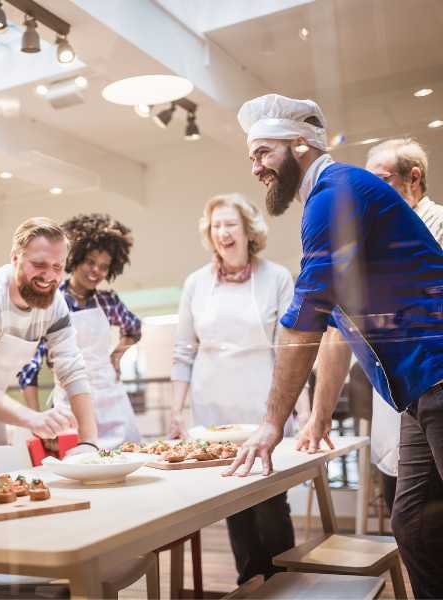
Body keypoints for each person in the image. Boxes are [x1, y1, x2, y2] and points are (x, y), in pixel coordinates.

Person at [226, 93, 443, 599]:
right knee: (413, 521)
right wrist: (317, 416)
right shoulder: (334, 194)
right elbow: (333, 326)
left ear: (300, 145)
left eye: (262, 153)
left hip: (438, 375)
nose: (255, 167)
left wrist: (272, 423)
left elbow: (306, 317)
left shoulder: (335, 194)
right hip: (418, 391)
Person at [170, 193, 304, 583]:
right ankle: (249, 581)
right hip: (211, 408)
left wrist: (304, 409)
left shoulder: (276, 277)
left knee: (269, 499)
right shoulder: (195, 283)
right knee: (231, 499)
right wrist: (177, 413)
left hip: (263, 404)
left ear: (248, 231)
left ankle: (285, 582)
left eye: (231, 224)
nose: (223, 233)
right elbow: (183, 352)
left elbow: (290, 348)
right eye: (216, 226)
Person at [312, 138, 442, 513]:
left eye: (381, 181)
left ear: (413, 178)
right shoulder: (366, 248)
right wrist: (320, 418)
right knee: (408, 518)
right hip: (398, 408)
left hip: (436, 391)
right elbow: (337, 333)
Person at [0, 217, 99, 479]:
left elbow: (72, 367)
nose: (49, 276)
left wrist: (89, 440)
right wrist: (32, 418)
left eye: (57, 267)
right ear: (15, 257)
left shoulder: (55, 303)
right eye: (38, 264)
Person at [18, 213, 142, 449]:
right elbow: (29, 366)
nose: (96, 271)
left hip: (113, 402)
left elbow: (134, 327)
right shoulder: (50, 303)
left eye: (104, 267)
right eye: (90, 262)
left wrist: (117, 354)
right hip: (71, 407)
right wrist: (35, 421)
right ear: (75, 257)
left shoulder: (108, 302)